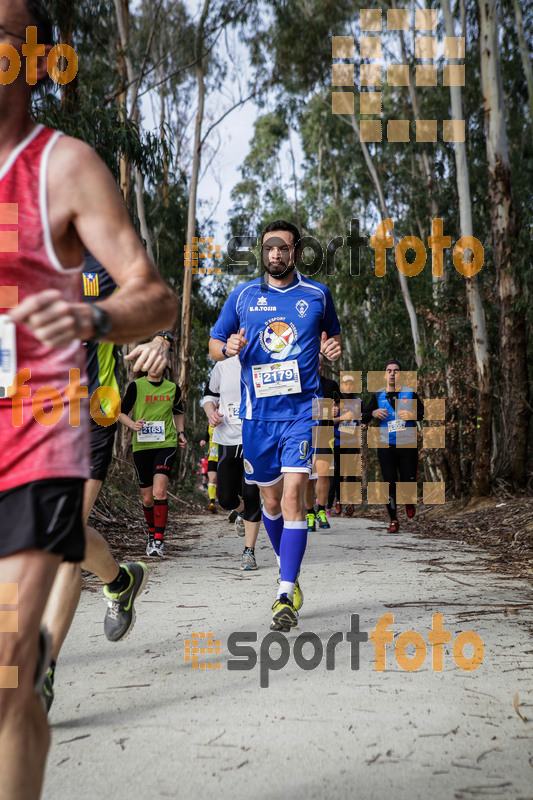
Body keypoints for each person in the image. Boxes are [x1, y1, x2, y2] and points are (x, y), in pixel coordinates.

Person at [0, 3, 176, 798]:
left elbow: (153, 293)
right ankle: (107, 593)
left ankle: (36, 667)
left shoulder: (62, 168)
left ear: (33, 59)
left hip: (45, 433)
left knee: (6, 671)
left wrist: (95, 317)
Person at [41, 253, 173, 710]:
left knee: (60, 536)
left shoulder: (98, 257)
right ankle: (119, 581)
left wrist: (161, 338)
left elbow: (153, 296)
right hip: (21, 415)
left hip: (89, 411)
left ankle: (42, 672)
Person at [209, 219, 341, 631]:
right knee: (268, 503)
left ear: (297, 251)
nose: (276, 255)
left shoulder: (317, 295)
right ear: (262, 252)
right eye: (269, 248)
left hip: (300, 413)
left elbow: (332, 339)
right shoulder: (244, 295)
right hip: (257, 419)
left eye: (284, 248)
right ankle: (291, 568)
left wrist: (333, 348)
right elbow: (214, 344)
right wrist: (226, 347)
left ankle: (284, 593)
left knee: (293, 498)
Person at [119, 364, 186, 557]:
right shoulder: (136, 386)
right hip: (142, 446)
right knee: (148, 499)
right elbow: (120, 412)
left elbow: (178, 412)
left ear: (164, 365)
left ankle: (158, 540)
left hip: (166, 443)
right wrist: (133, 424)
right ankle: (151, 532)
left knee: (159, 491)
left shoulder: (173, 388)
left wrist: (180, 433)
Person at [201, 355, 262, 569]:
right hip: (227, 437)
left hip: (256, 438)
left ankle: (249, 551)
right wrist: (211, 413)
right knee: (226, 499)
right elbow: (209, 395)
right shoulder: (222, 366)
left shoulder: (263, 362)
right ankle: (243, 511)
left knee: (251, 493)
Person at [362, 360, 424, 533]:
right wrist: (373, 413)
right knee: (389, 482)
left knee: (408, 480)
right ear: (384, 374)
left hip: (408, 445)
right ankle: (393, 520)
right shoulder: (378, 395)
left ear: (400, 375)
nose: (392, 374)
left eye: (396, 371)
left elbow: (422, 413)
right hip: (386, 445)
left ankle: (409, 500)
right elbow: (364, 416)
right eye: (389, 370)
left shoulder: (410, 394)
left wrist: (411, 414)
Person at [305, 354, 340, 532]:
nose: (315, 367)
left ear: (322, 366)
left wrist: (337, 409)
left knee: (323, 474)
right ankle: (309, 513)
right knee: (307, 478)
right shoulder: (301, 384)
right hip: (304, 434)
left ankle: (321, 511)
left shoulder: (330, 385)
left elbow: (341, 406)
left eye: (318, 365)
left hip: (325, 433)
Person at [335, 374, 362, 518]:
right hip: (337, 441)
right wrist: (341, 418)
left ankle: (351, 502)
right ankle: (338, 500)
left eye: (351, 384)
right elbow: (328, 420)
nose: (348, 387)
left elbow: (362, 418)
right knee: (338, 473)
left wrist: (363, 424)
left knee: (351, 473)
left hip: (352, 441)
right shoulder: (336, 401)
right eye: (346, 384)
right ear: (341, 386)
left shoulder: (358, 401)